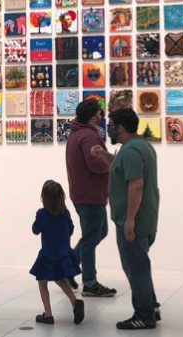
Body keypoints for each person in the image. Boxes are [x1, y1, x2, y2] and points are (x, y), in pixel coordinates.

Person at [90, 108, 161, 330]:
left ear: (120, 128)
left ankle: (144, 315)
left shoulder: (131, 151)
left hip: (134, 222)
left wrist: (129, 219)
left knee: (135, 268)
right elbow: (122, 170)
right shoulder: (139, 146)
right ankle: (151, 307)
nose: (107, 127)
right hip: (145, 218)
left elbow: (136, 184)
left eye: (110, 124)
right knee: (140, 265)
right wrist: (104, 155)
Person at [65, 99, 117, 298]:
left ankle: (68, 267)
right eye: (97, 114)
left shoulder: (77, 132)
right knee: (91, 238)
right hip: (89, 193)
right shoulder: (87, 136)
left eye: (100, 114)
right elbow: (95, 164)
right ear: (91, 116)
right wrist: (113, 162)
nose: (100, 117)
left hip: (85, 192)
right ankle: (90, 282)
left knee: (97, 233)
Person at [30, 180, 86, 325]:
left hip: (48, 253)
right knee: (60, 279)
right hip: (63, 252)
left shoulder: (42, 214)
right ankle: (75, 302)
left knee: (42, 282)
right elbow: (71, 229)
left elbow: (35, 230)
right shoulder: (65, 213)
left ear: (43, 197)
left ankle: (48, 314)